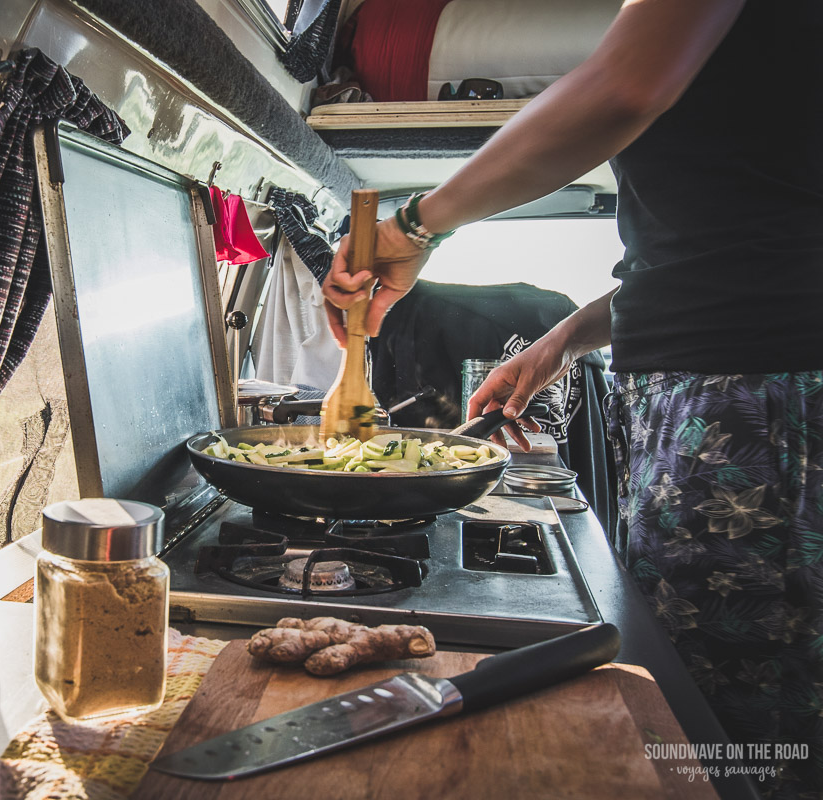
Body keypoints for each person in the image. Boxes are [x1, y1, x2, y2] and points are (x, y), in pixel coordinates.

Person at [321, 1, 823, 796]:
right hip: (725, 392)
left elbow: (623, 88)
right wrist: (564, 340)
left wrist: (414, 226)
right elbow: (747, 235)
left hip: (750, 405)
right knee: (705, 709)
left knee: (728, 735)